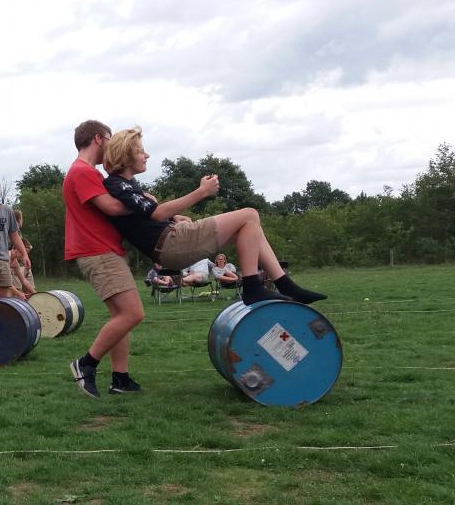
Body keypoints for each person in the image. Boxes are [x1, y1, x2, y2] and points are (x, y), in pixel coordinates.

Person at [101, 127, 326, 305]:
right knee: (249, 215)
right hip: (171, 243)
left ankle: (285, 286)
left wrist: (174, 217)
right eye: (141, 150)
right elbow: (156, 212)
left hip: (171, 242)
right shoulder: (116, 184)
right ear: (127, 154)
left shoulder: (126, 184)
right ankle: (253, 288)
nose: (146, 154)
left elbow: (144, 218)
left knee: (250, 228)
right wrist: (201, 193)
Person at [63, 120, 145, 398]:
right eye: (110, 138)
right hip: (97, 252)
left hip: (103, 250)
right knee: (133, 313)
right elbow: (111, 207)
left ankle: (120, 378)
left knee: (121, 316)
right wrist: (148, 205)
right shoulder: (82, 171)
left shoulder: (91, 173)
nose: (113, 144)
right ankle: (85, 364)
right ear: (99, 138)